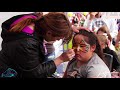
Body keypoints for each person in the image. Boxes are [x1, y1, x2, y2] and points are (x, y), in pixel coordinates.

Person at [0, 12, 75, 78]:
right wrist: (61, 59)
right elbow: (34, 73)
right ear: (49, 33)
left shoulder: (38, 21)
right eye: (58, 38)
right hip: (9, 72)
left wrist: (68, 29)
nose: (58, 40)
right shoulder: (27, 43)